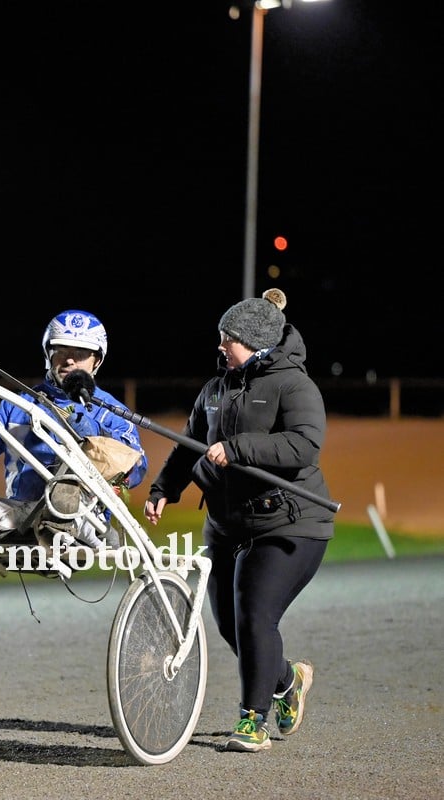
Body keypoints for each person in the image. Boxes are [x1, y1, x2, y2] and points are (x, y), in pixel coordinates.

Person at [143, 288, 333, 753]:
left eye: (229, 339)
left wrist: (239, 447)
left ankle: (254, 720)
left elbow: (304, 445)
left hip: (289, 523)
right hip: (227, 526)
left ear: (256, 342)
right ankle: (288, 681)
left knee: (254, 615)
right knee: (231, 626)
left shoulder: (294, 385)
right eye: (222, 337)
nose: (222, 346)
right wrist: (165, 488)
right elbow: (191, 443)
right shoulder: (216, 389)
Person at [0, 309, 148, 547]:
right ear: (49, 354)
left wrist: (95, 435)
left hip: (85, 519)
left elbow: (137, 468)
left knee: (66, 495)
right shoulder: (16, 405)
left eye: (81, 353)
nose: (70, 359)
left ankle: (62, 523)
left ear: (96, 360)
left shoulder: (112, 412)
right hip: (20, 518)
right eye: (62, 351)